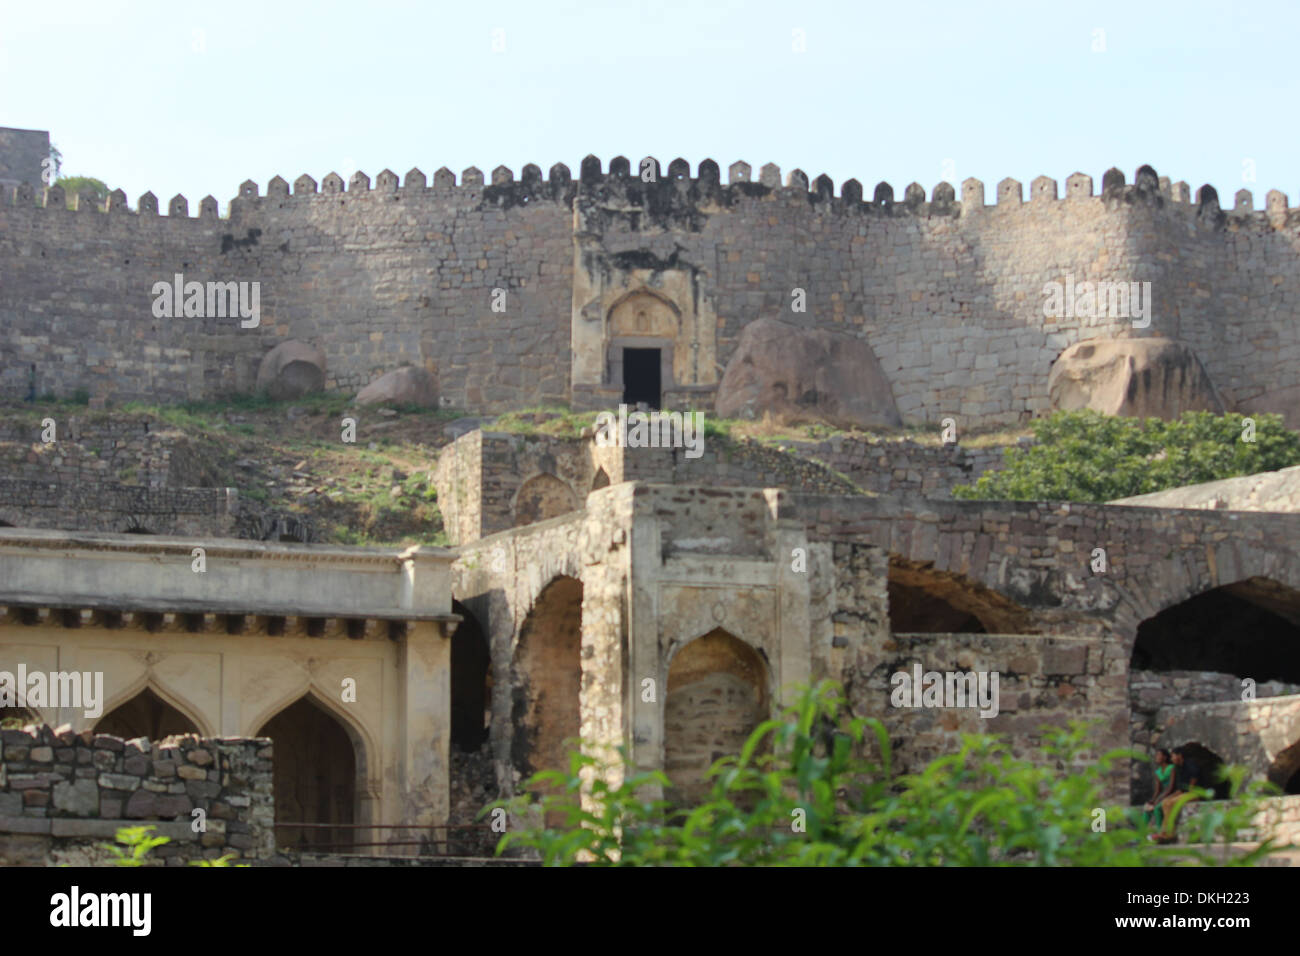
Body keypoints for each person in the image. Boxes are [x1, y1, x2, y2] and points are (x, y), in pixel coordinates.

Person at [1154, 746, 1203, 844]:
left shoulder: (1190, 765)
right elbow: (1180, 789)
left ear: (1179, 755)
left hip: (1194, 793)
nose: (1171, 759)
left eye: (1173, 756)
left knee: (1172, 802)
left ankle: (1169, 834)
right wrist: (1170, 796)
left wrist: (1186, 793)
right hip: (1184, 793)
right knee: (1165, 803)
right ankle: (1164, 832)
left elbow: (1193, 782)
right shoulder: (1178, 768)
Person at [1143, 748, 1174, 833]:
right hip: (1162, 795)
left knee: (1157, 808)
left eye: (1158, 755)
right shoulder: (1158, 772)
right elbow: (1158, 790)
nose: (1156, 757)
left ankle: (1160, 832)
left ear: (1165, 757)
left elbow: (1170, 787)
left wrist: (1159, 799)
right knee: (1147, 809)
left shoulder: (1171, 768)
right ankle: (1140, 835)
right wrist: (1152, 800)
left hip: (1171, 794)